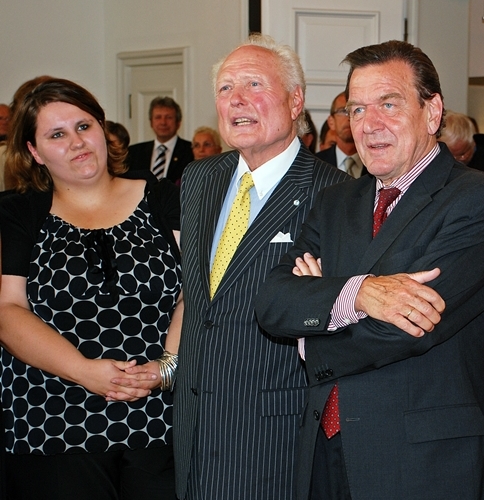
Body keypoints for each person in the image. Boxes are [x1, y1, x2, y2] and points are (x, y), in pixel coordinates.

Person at [255, 40, 484, 499]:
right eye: (356, 110)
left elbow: (411, 326)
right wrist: (358, 294)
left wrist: (312, 323)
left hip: (423, 464)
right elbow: (272, 301)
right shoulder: (336, 201)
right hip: (322, 456)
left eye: (388, 105)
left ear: (431, 112)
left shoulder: (480, 203)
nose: (369, 125)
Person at [173, 34, 349, 500]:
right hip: (192, 434)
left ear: (295, 101)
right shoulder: (199, 178)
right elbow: (200, 301)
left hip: (275, 437)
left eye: (254, 84)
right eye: (226, 88)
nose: (237, 100)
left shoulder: (335, 195)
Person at [0, 78, 183, 499]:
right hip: (51, 422)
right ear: (33, 151)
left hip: (158, 419)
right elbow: (8, 311)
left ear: (103, 128)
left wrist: (167, 368)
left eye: (84, 126)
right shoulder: (17, 212)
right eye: (56, 134)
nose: (77, 143)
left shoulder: (162, 197)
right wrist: (85, 372)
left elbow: (193, 293)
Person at [126, 96, 194, 183]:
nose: (163, 122)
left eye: (169, 117)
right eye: (158, 117)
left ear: (178, 123)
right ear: (151, 122)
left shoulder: (191, 151)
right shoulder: (134, 153)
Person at [316, 91, 366, 178]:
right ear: (331, 122)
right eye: (343, 111)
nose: (349, 117)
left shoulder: (378, 161)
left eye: (357, 110)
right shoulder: (316, 163)